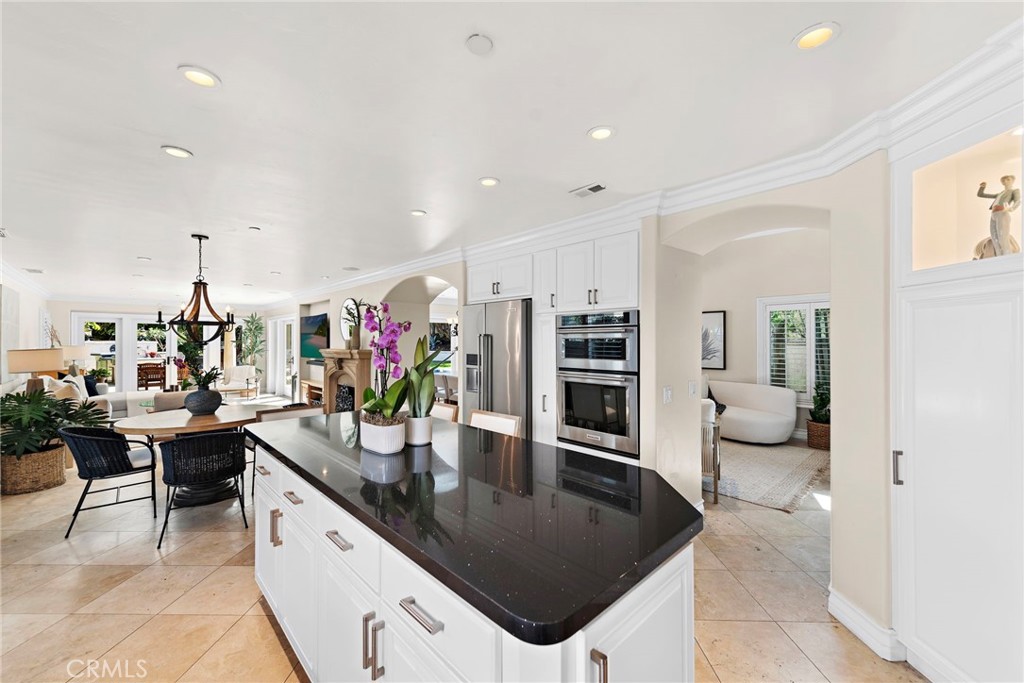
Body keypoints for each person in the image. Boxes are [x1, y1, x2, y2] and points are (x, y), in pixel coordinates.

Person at [977, 175, 1021, 256]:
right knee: (995, 239)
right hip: (994, 214)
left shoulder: (1014, 191)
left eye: (1008, 179)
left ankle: (1008, 257)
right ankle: (999, 258)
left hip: (1002, 213)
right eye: (1004, 180)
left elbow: (1018, 201)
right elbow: (981, 194)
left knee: (1003, 238)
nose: (1006, 181)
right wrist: (982, 187)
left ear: (1012, 181)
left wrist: (1011, 209)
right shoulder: (1000, 193)